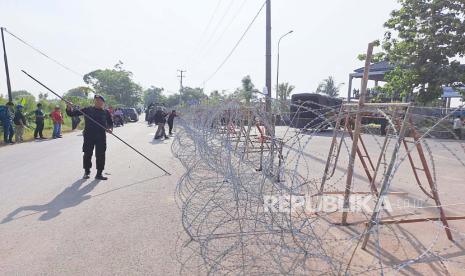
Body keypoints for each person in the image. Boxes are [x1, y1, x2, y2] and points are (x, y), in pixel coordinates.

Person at [66, 95, 113, 180]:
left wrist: (110, 128)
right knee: (87, 154)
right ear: (94, 101)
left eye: (100, 100)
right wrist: (69, 107)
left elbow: (110, 122)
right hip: (89, 136)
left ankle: (99, 173)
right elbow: (72, 114)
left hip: (101, 136)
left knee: (101, 155)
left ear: (103, 102)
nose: (98, 102)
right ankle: (87, 172)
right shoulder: (87, 110)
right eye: (96, 100)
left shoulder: (106, 112)